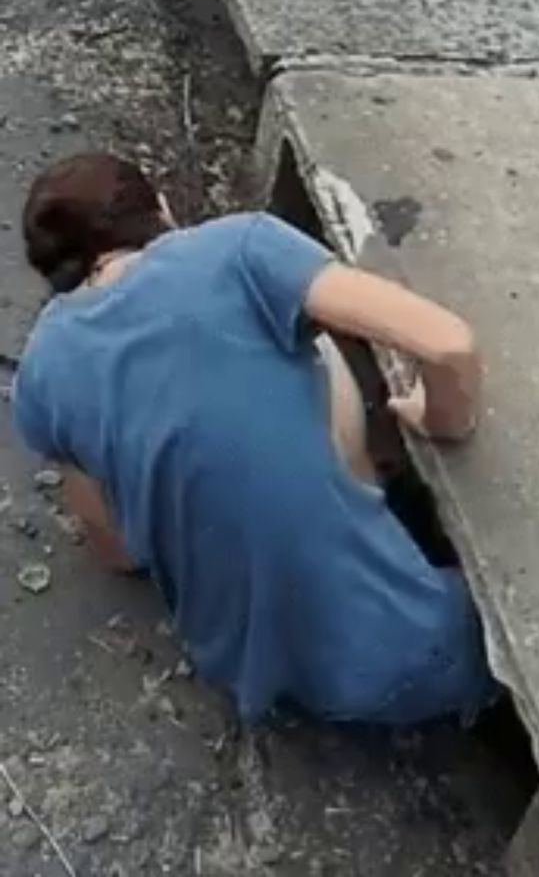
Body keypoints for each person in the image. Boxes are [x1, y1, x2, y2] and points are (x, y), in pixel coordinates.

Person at [13, 152, 498, 724]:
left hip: (242, 661)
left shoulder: (40, 372)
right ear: (162, 211)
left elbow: (116, 551)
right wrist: (442, 418)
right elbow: (448, 345)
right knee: (305, 329)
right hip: (405, 659)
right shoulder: (237, 246)